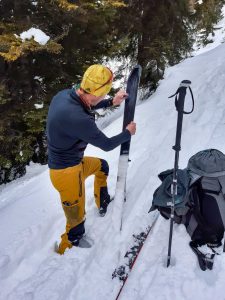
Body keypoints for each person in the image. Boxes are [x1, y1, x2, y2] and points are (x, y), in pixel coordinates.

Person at [46, 64, 136, 254]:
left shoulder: (65, 96)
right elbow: (107, 144)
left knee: (102, 166)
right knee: (75, 215)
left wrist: (112, 101)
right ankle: (69, 245)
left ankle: (102, 202)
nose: (104, 97)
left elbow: (89, 102)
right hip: (66, 174)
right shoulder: (77, 118)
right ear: (98, 92)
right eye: (105, 94)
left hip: (74, 164)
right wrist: (128, 133)